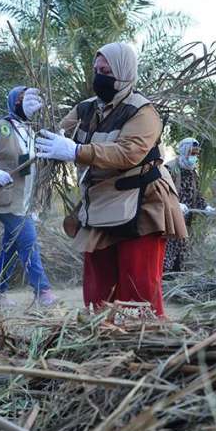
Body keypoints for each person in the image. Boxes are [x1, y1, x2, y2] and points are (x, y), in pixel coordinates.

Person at [33, 42, 187, 317]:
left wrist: (77, 151)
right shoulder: (86, 109)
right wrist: (33, 117)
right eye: (96, 70)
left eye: (106, 70)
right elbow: (52, 134)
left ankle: (147, 344)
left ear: (123, 71)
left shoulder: (143, 112)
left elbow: (128, 153)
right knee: (97, 292)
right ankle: (101, 339)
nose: (98, 76)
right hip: (101, 202)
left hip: (141, 202)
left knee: (138, 291)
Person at [0, 85, 56, 307]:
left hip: (24, 201)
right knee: (29, 242)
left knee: (10, 247)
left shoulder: (30, 131)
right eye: (20, 98)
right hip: (5, 200)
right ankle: (43, 291)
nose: (24, 101)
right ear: (12, 101)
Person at [162, 137, 212, 272]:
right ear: (184, 151)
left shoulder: (192, 172)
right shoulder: (170, 168)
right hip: (170, 219)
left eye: (196, 154)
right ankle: (164, 278)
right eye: (192, 153)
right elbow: (161, 192)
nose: (194, 157)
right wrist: (175, 204)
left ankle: (176, 277)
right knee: (168, 250)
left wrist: (205, 207)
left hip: (186, 220)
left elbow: (197, 194)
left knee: (181, 252)